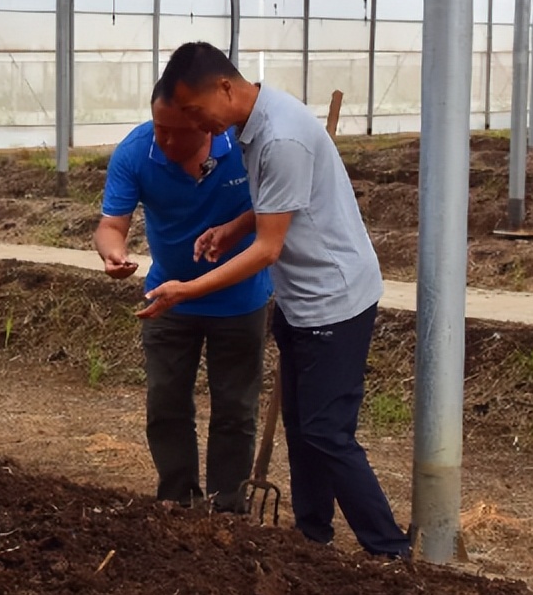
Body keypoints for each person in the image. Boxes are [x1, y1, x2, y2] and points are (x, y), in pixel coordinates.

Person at [139, 41, 410, 558]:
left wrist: (187, 290)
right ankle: (313, 538)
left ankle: (388, 549)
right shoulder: (254, 125)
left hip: (335, 299)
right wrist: (231, 226)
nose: (197, 127)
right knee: (303, 428)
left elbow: (268, 249)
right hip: (300, 301)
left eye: (196, 112)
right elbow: (274, 209)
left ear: (224, 87)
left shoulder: (281, 135)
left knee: (327, 431)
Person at [94, 83, 271, 512]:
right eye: (159, 129)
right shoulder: (136, 152)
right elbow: (110, 224)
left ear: (206, 125)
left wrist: (240, 228)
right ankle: (178, 502)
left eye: (176, 131)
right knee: (167, 404)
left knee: (235, 408)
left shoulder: (245, 148)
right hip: (168, 300)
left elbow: (274, 211)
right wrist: (112, 250)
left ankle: (226, 508)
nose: (165, 140)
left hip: (241, 300)